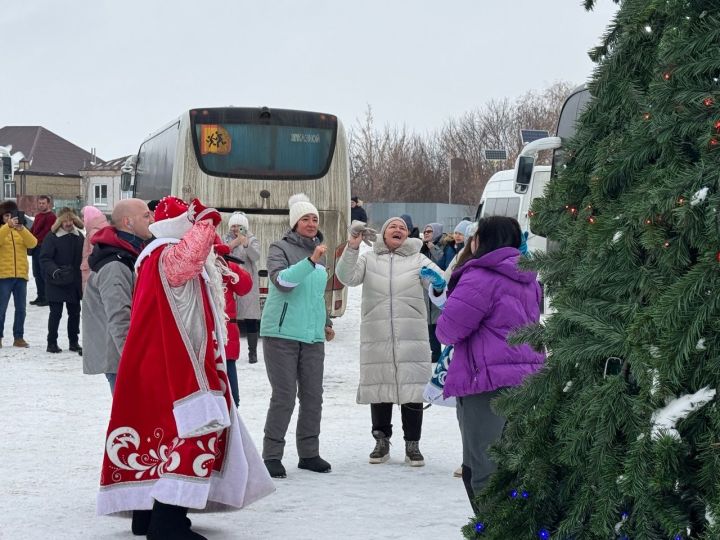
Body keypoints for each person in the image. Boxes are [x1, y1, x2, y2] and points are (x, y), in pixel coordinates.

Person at [97, 196, 274, 539]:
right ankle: (168, 521)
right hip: (179, 366)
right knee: (192, 436)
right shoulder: (165, 253)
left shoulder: (153, 255)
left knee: (155, 437)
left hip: (159, 361)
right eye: (189, 223)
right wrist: (205, 222)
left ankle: (146, 514)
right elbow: (188, 259)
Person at [435, 216, 545, 511]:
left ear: (481, 240)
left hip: (486, 383)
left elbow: (448, 330)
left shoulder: (479, 277)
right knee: (514, 465)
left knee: (483, 471)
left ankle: (493, 530)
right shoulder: (529, 279)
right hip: (527, 379)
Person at [335, 216, 446, 467]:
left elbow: (441, 285)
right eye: (392, 227)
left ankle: (413, 445)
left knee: (412, 389)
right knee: (380, 386)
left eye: (403, 228)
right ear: (383, 233)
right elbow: (346, 277)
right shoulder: (369, 257)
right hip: (378, 335)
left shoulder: (419, 258)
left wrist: (438, 285)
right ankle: (381, 440)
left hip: (412, 335)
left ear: (408, 235)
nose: (398, 230)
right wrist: (352, 247)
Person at [260, 193, 334, 479]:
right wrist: (310, 261)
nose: (311, 223)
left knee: (313, 397)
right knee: (285, 396)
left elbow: (316, 294)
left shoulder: (319, 249)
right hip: (281, 333)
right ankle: (272, 455)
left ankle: (309, 453)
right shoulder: (279, 248)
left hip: (312, 335)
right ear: (294, 223)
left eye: (315, 218)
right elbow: (283, 283)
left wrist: (325, 321)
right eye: (305, 218)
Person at [82, 199, 154, 394]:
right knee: (132, 419)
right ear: (127, 222)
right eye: (146, 215)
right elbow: (119, 317)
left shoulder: (127, 252)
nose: (152, 219)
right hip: (121, 360)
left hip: (124, 356)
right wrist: (135, 361)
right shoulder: (116, 264)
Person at [39, 208, 85, 354]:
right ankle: (51, 342)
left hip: (73, 282)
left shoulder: (79, 237)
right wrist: (55, 271)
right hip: (56, 282)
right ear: (60, 222)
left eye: (71, 220)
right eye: (65, 220)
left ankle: (74, 342)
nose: (68, 223)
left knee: (75, 313)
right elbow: (45, 258)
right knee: (56, 313)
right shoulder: (52, 237)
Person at [215, 241, 253, 407]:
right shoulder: (197, 267)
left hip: (227, 335)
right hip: (206, 337)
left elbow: (245, 287)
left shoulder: (226, 268)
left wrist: (229, 266)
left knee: (233, 399)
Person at [224, 211, 262, 364]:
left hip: (248, 281)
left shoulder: (252, 240)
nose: (235, 229)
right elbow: (220, 253)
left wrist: (245, 244)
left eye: (239, 226)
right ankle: (227, 348)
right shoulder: (225, 239)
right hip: (229, 280)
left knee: (250, 318)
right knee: (229, 317)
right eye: (233, 226)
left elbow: (255, 257)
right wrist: (233, 244)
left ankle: (252, 352)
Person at [0, 200, 37, 348]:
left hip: (21, 275)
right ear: (2, 217)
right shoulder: (2, 230)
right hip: (3, 276)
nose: (10, 218)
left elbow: (33, 243)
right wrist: (7, 227)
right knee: (1, 308)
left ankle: (19, 337)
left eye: (12, 215)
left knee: (21, 309)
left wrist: (22, 229)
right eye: (6, 216)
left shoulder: (20, 231)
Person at [421, 222, 445, 363]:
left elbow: (443, 264)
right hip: (425, 291)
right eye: (425, 232)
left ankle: (441, 352)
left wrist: (433, 248)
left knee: (437, 323)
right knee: (429, 323)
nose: (427, 233)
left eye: (430, 231)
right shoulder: (423, 248)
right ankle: (435, 352)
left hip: (438, 290)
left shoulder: (443, 246)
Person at [29, 195, 55, 306]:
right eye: (39, 203)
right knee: (37, 273)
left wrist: (34, 239)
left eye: (43, 203)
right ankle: (40, 296)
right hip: (35, 247)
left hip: (44, 248)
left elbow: (47, 233)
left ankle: (47, 297)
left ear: (48, 204)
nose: (41, 205)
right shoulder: (38, 215)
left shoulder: (51, 217)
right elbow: (33, 229)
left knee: (44, 273)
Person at [79, 205, 109, 291]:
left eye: (83, 216)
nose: (82, 219)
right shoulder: (102, 228)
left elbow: (95, 254)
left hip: (91, 271)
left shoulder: (94, 232)